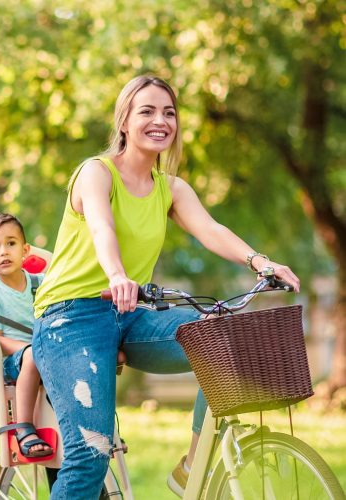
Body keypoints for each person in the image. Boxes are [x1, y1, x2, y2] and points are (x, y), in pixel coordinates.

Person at [30, 75, 300, 499]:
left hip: (132, 313)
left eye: (169, 113)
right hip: (70, 318)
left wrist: (261, 262)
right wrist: (117, 273)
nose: (161, 121)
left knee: (222, 340)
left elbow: (211, 230)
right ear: (124, 121)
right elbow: (102, 226)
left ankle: (193, 464)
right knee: (89, 454)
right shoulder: (95, 173)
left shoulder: (170, 189)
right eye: (147, 111)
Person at [0, 213, 53, 459]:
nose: (4, 252)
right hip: (13, 361)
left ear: (25, 250)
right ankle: (24, 428)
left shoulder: (41, 284)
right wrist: (31, 348)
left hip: (48, 352)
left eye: (11, 243)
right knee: (32, 356)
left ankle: (87, 428)